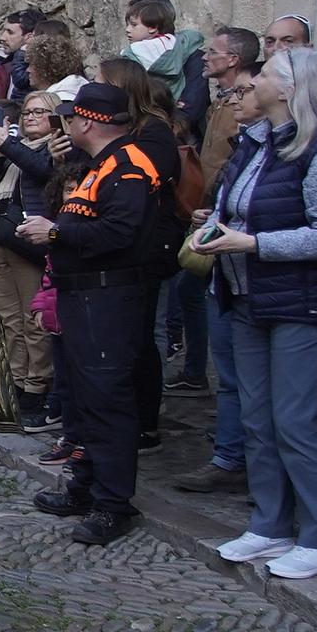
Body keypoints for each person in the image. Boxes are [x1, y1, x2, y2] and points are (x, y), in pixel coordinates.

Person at [198, 48, 317, 578]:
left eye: (266, 74)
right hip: (247, 298)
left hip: (302, 302)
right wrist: (218, 223)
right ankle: (269, 524)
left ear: (291, 88)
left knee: (297, 421)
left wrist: (251, 242)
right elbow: (244, 207)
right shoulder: (255, 142)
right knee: (257, 418)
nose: (254, 80)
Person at [18, 81, 164, 546]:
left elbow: (121, 233)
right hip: (82, 298)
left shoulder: (128, 165)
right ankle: (86, 486)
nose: (66, 123)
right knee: (82, 401)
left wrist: (57, 234)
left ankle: (112, 504)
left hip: (110, 301)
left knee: (108, 403)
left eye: (72, 116)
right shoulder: (99, 165)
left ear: (90, 121)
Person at [173, 30, 261, 492]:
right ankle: (230, 452)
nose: (240, 99)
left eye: (248, 92)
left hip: (258, 272)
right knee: (230, 372)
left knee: (256, 382)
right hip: (219, 247)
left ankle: (251, 465)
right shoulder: (234, 123)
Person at [94, 58, 185, 453]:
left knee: (139, 339)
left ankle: (145, 422)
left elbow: (136, 182)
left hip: (144, 248)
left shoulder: (154, 134)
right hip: (117, 249)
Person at [0, 91, 60, 431]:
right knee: (8, 318)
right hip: (0, 238)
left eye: (40, 112)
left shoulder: (55, 147)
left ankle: (37, 387)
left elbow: (44, 172)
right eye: (27, 112)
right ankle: (18, 380)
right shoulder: (14, 149)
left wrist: (8, 146)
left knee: (31, 318)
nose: (30, 117)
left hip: (28, 242)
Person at [122, 0, 206, 106]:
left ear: (153, 25)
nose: (127, 29)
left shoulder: (132, 54)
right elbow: (195, 37)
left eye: (134, 24)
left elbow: (193, 106)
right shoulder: (182, 47)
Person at [0, 8, 44, 95]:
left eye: (10, 32)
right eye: (4, 31)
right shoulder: (11, 61)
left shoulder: (36, 68)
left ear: (30, 36)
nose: (2, 38)